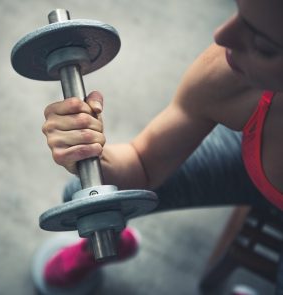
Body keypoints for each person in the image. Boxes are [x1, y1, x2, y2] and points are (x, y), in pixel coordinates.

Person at [39, 0, 283, 293]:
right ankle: (106, 243)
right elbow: (143, 162)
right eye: (239, 14)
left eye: (263, 45)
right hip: (252, 166)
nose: (222, 36)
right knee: (91, 193)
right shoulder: (228, 70)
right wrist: (88, 153)